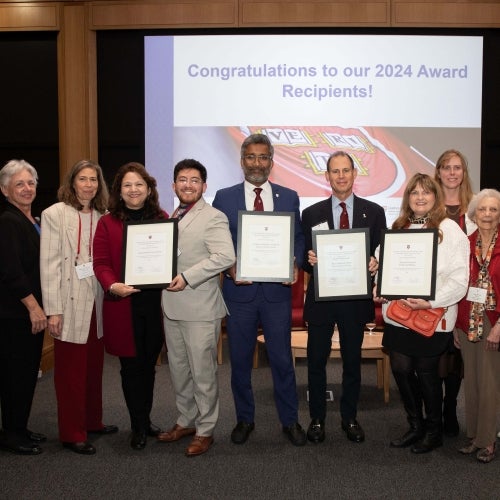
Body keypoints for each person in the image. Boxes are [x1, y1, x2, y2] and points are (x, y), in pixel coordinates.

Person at [212, 133, 307, 446]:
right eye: (251, 157)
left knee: (281, 360)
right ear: (242, 161)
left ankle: (290, 420)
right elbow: (217, 242)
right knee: (239, 361)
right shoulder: (224, 197)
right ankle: (244, 419)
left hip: (276, 294)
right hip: (240, 294)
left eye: (263, 157)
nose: (257, 163)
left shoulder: (289, 196)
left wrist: (294, 262)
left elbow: (298, 238)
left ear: (271, 161)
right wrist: (229, 267)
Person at [379, 173, 469, 454]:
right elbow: (383, 266)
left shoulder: (450, 230)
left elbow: (459, 280)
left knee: (427, 374)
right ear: (407, 198)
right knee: (401, 370)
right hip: (399, 316)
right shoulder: (398, 226)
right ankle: (415, 425)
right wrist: (379, 287)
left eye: (426, 192)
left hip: (431, 316)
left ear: (435, 196)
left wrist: (429, 302)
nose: (419, 197)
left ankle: (434, 430)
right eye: (414, 192)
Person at [301, 151, 386, 444]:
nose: (340, 176)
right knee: (315, 363)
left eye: (346, 170)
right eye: (335, 171)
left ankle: (350, 418)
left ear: (354, 174)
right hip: (322, 301)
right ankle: (317, 419)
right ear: (327, 177)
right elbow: (301, 258)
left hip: (355, 300)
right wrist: (307, 257)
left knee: (353, 362)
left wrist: (376, 260)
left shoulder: (374, 211)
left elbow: (382, 249)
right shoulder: (311, 214)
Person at [40, 159, 117, 455]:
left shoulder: (104, 215)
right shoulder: (54, 214)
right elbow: (48, 266)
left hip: (97, 302)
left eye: (94, 180)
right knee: (70, 373)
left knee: (94, 368)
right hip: (68, 303)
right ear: (72, 182)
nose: (89, 185)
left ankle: (92, 421)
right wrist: (53, 310)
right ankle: (72, 432)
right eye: (83, 179)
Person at [158, 159, 235, 457]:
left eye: (194, 180)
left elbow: (225, 255)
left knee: (202, 374)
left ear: (204, 186)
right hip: (172, 306)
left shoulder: (213, 216)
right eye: (182, 179)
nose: (187, 184)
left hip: (200, 308)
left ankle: (205, 429)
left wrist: (189, 277)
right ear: (174, 185)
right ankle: (185, 420)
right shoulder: (172, 215)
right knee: (179, 371)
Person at [93, 162, 167, 450]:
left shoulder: (161, 218)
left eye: (139, 184)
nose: (133, 189)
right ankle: (137, 425)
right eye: (127, 185)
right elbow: (100, 263)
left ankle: (145, 419)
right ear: (119, 191)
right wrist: (112, 285)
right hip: (123, 304)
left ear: (148, 189)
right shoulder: (107, 222)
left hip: (152, 304)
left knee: (148, 367)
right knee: (130, 369)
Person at [0, 159, 47, 455]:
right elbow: (10, 271)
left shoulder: (33, 220)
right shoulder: (8, 221)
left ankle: (19, 426)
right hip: (14, 314)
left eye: (30, 183)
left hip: (26, 312)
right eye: (19, 184)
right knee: (15, 374)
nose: (27, 188)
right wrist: (33, 307)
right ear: (5, 189)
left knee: (27, 372)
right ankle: (12, 434)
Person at [455, 189, 500, 463]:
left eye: (493, 209)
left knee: (490, 382)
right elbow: (456, 284)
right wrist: (454, 325)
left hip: (494, 320)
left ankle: (488, 440)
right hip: (467, 319)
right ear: (474, 213)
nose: (487, 214)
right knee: (470, 380)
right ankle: (473, 436)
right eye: (482, 209)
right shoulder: (465, 244)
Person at [434, 149, 476, 437]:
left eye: (457, 168)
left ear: (464, 172)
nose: (452, 172)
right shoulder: (427, 207)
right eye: (446, 167)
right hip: (437, 293)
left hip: (468, 294)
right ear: (438, 172)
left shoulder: (476, 209)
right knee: (436, 355)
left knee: (457, 356)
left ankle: (450, 408)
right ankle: (435, 410)